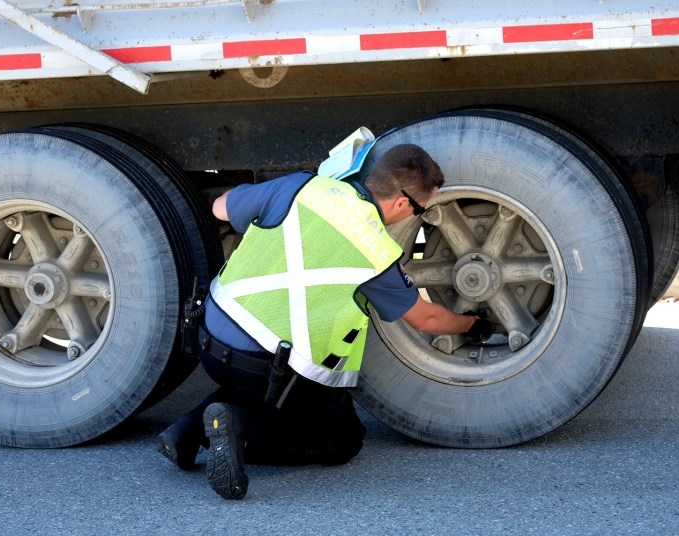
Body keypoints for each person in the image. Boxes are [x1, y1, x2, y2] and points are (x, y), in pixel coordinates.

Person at [157, 143, 493, 500]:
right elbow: (425, 318)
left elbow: (220, 208)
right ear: (400, 203)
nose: (414, 216)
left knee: (255, 377)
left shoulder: (303, 186)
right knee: (343, 440)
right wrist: (472, 325)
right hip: (267, 368)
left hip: (210, 334)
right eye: (419, 210)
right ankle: (238, 429)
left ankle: (185, 433)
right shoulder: (376, 250)